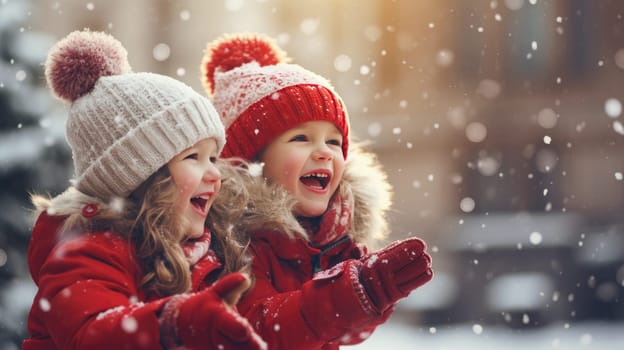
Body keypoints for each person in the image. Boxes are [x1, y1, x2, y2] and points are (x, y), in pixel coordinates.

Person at [23, 30, 266, 350]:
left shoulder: (203, 251)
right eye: (193, 157)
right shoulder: (88, 251)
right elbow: (93, 334)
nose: (214, 174)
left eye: (213, 158)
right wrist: (176, 323)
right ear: (139, 176)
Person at [200, 32, 433, 349]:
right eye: (301, 138)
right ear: (253, 160)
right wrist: (349, 294)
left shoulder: (332, 236)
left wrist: (372, 294)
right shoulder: (235, 239)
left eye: (334, 142)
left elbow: (346, 333)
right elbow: (258, 328)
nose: (324, 152)